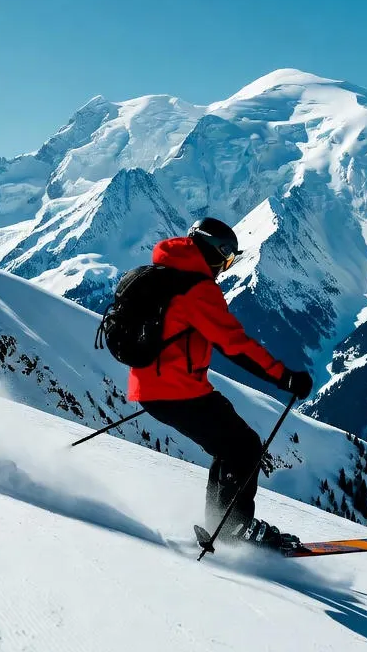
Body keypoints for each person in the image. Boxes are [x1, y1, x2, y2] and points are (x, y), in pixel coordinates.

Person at [127, 217, 313, 550]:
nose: (225, 269)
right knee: (243, 448)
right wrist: (285, 377)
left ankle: (223, 521)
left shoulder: (165, 273)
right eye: (226, 260)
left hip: (156, 385)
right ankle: (234, 528)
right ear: (214, 253)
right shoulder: (198, 289)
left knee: (232, 445)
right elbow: (235, 345)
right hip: (176, 390)